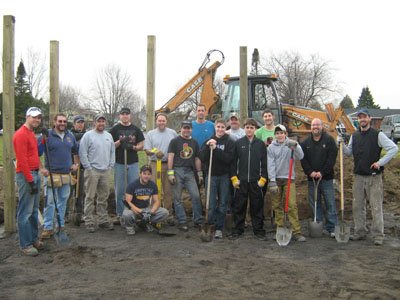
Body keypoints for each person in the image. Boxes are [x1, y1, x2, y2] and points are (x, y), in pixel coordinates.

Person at [341, 108, 398, 245]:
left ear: (370, 118)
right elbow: (349, 153)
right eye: (360, 118)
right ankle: (360, 231)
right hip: (359, 176)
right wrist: (341, 144)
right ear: (358, 120)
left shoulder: (377, 135)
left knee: (376, 206)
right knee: (357, 206)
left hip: (373, 177)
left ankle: (378, 234)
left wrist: (380, 162)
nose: (362, 120)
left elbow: (394, 148)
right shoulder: (355, 136)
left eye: (364, 117)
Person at [13, 107, 47, 256]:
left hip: (34, 173)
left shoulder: (31, 134)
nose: (37, 120)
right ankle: (25, 244)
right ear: (27, 117)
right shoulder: (20, 135)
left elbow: (35, 154)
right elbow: (22, 160)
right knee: (25, 212)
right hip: (26, 175)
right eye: (34, 117)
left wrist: (44, 140)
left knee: (33, 211)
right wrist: (30, 180)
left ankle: (34, 239)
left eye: (39, 118)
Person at [40, 113, 79, 239]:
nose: (62, 123)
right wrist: (42, 168)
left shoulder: (70, 136)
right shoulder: (47, 136)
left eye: (64, 121)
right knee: (50, 202)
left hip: (66, 175)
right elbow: (36, 152)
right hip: (52, 175)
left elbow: (76, 151)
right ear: (54, 122)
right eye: (60, 121)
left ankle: (60, 225)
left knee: (63, 202)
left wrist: (76, 164)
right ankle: (47, 228)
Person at [229, 118, 268, 241]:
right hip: (242, 181)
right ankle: (238, 229)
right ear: (244, 128)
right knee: (239, 206)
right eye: (247, 127)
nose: (249, 130)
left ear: (255, 129)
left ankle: (258, 230)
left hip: (256, 181)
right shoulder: (239, 143)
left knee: (257, 206)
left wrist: (263, 178)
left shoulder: (260, 144)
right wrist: (234, 177)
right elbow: (233, 162)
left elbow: (264, 163)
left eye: (251, 127)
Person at [301, 118, 338, 237]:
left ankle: (332, 227)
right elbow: (303, 160)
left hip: (326, 178)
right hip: (312, 179)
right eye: (313, 125)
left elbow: (331, 159)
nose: (315, 127)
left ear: (322, 127)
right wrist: (310, 172)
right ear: (310, 127)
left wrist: (322, 172)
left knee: (330, 203)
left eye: (317, 125)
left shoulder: (329, 140)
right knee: (314, 203)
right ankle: (318, 225)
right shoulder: (306, 142)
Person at [267, 124, 306, 242]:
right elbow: (270, 164)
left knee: (292, 205)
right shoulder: (271, 148)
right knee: (277, 205)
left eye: (281, 133)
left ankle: (296, 231)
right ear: (275, 135)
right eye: (277, 133)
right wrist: (272, 181)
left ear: (285, 134)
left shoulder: (291, 144)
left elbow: (301, 156)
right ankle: (280, 228)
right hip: (277, 180)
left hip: (290, 179)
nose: (279, 135)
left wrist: (297, 147)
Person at [79, 114, 116, 233]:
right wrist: (88, 167)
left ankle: (102, 220)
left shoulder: (108, 136)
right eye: (98, 121)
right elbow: (83, 153)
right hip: (92, 170)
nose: (101, 123)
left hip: (105, 171)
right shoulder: (88, 136)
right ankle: (89, 220)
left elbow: (112, 152)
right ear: (94, 122)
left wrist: (110, 165)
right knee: (90, 196)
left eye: (103, 121)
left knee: (103, 197)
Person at [199, 118, 235, 239]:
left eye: (222, 127)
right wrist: (207, 147)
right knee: (210, 202)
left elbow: (228, 159)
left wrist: (216, 150)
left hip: (224, 176)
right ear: (215, 127)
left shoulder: (229, 142)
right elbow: (202, 157)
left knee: (223, 203)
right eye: (218, 127)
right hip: (211, 176)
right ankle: (209, 224)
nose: (220, 129)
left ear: (226, 128)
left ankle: (219, 227)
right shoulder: (208, 141)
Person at [109, 107, 145, 225]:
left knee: (133, 189)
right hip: (119, 163)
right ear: (120, 116)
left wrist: (132, 147)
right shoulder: (115, 130)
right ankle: (120, 214)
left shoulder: (136, 129)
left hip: (133, 162)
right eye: (123, 114)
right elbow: (110, 146)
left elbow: (141, 146)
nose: (125, 116)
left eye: (127, 114)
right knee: (119, 190)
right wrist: (120, 142)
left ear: (130, 116)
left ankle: (133, 213)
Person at [167, 121, 204, 231]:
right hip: (177, 170)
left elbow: (197, 159)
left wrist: (199, 173)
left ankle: (198, 219)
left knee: (196, 196)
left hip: (190, 172)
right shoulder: (175, 141)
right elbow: (170, 157)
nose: (186, 130)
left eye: (188, 128)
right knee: (177, 198)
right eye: (184, 128)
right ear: (181, 129)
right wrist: (170, 173)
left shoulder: (194, 143)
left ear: (191, 129)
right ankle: (182, 220)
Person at [144, 113, 178, 225]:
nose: (161, 123)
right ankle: (155, 213)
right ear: (156, 121)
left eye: (163, 120)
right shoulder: (151, 134)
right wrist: (155, 151)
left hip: (168, 164)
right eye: (159, 121)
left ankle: (168, 215)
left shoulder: (172, 133)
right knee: (155, 190)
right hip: (154, 164)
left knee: (168, 191)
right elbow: (147, 149)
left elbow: (177, 146)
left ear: (166, 121)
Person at [121, 165, 169, 235]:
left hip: (146, 208)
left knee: (165, 212)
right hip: (133, 209)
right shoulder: (132, 185)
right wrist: (140, 211)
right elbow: (128, 202)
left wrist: (151, 212)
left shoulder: (153, 185)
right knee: (127, 214)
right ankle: (130, 227)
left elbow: (157, 201)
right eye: (144, 173)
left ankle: (144, 223)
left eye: (149, 174)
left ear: (151, 175)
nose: (146, 176)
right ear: (140, 174)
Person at [68, 115, 87, 224]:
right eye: (78, 122)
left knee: (80, 192)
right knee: (68, 192)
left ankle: (79, 213)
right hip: (70, 167)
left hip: (82, 167)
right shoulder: (69, 136)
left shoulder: (86, 135)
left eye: (81, 122)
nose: (80, 124)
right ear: (74, 124)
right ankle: (66, 214)